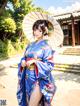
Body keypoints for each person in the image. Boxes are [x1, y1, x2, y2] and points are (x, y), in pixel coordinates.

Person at [17, 20, 56, 106]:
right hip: (27, 78)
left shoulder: (47, 47)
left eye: (39, 30)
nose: (36, 32)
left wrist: (35, 62)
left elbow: (49, 65)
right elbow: (24, 57)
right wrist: (23, 61)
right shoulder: (30, 45)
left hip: (38, 80)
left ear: (44, 31)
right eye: (35, 30)